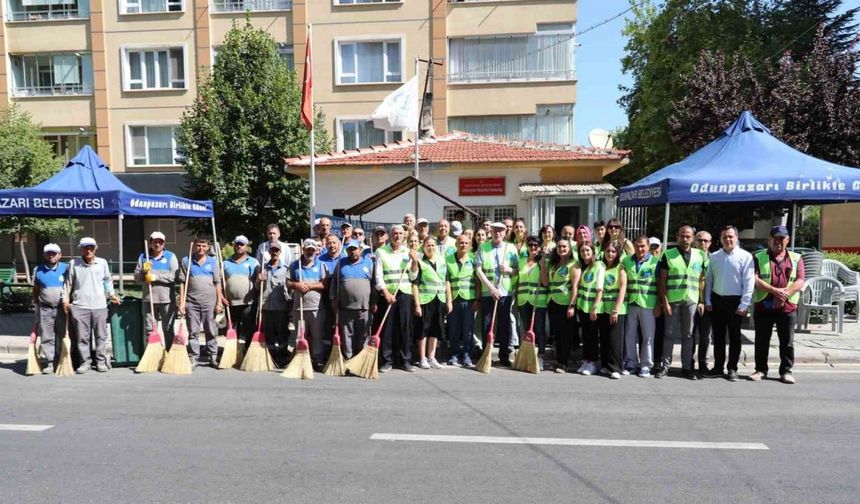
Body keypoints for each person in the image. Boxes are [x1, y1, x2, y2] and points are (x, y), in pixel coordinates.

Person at [751, 226, 804, 384]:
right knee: (761, 340)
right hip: (764, 304)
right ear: (769, 240)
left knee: (787, 341)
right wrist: (775, 291)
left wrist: (785, 294)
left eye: (782, 238)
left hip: (787, 306)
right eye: (775, 238)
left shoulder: (796, 258)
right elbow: (754, 278)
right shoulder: (758, 257)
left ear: (787, 240)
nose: (778, 242)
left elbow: (800, 280)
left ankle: (786, 371)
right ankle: (760, 369)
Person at [704, 225, 755, 382]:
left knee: (734, 338)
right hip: (717, 300)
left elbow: (749, 282)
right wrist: (707, 300)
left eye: (731, 236)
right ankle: (718, 367)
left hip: (736, 302)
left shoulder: (746, 257)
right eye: (725, 237)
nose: (728, 239)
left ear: (736, 238)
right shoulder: (714, 257)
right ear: (720, 239)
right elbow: (709, 280)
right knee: (718, 337)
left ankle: (732, 368)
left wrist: (744, 304)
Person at [657, 226, 706, 380]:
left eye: (688, 236)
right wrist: (664, 302)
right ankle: (665, 367)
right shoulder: (668, 254)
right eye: (682, 236)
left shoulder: (700, 255)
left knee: (689, 335)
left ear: (693, 238)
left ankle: (687, 367)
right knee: (669, 334)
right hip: (673, 299)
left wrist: (702, 301)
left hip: (691, 299)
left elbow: (702, 279)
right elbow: (662, 281)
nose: (685, 239)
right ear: (677, 236)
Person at [66, 237, 120, 373]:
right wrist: (65, 300)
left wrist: (111, 294)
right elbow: (68, 283)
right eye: (85, 247)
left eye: (91, 247)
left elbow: (108, 280)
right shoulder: (74, 263)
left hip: (99, 305)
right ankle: (85, 362)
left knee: (101, 336)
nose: (88, 250)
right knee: (82, 337)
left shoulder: (102, 263)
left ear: (95, 248)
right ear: (81, 249)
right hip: (80, 306)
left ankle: (101, 361)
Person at [374, 225, 420, 372]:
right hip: (388, 294)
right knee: (387, 328)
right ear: (390, 235)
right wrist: (386, 293)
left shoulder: (409, 252)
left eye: (400, 233)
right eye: (395, 233)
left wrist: (414, 262)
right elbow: (378, 276)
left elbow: (413, 276)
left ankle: (405, 360)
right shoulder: (381, 252)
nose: (398, 236)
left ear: (404, 236)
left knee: (404, 327)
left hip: (404, 293)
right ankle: (387, 360)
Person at [475, 222, 520, 367]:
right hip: (488, 292)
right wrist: (490, 288)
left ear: (505, 232)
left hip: (505, 292)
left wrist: (508, 269)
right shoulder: (483, 247)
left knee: (504, 325)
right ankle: (486, 353)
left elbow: (517, 270)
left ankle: (504, 355)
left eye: (501, 231)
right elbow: (478, 270)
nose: (497, 233)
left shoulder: (511, 247)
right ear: (491, 232)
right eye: (495, 231)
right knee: (487, 324)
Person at [179, 237, 224, 368]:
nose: (201, 248)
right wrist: (182, 303)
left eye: (204, 246)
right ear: (194, 246)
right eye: (199, 245)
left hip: (209, 303)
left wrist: (219, 302)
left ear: (208, 247)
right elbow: (182, 283)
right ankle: (194, 358)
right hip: (191, 303)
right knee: (193, 331)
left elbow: (217, 283)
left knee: (211, 331)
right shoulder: (187, 261)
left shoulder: (213, 262)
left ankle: (213, 356)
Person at [621, 235, 660, 377]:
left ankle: (645, 365)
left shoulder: (656, 262)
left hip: (648, 304)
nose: (639, 248)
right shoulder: (626, 261)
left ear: (648, 246)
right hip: (631, 303)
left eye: (643, 246)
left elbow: (660, 285)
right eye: (637, 245)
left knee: (648, 337)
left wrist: (658, 305)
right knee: (629, 335)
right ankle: (631, 363)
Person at [330, 239, 374, 359]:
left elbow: (374, 284)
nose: (353, 252)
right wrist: (333, 299)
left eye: (355, 249)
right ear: (347, 251)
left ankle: (361, 360)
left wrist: (374, 302)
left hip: (364, 307)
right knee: (347, 335)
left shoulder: (369, 262)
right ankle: (348, 358)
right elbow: (334, 282)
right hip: (345, 307)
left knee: (364, 335)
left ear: (360, 250)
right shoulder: (341, 263)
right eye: (350, 249)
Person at [134, 231, 178, 349]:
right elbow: (137, 278)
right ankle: (152, 354)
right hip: (149, 300)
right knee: (150, 330)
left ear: (164, 243)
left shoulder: (170, 256)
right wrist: (143, 271)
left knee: (168, 329)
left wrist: (155, 277)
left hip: (167, 300)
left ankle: (169, 353)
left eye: (160, 242)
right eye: (155, 242)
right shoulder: (144, 256)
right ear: (150, 243)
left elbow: (174, 276)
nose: (157, 244)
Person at [288, 239, 328, 369]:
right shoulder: (295, 265)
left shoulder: (321, 265)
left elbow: (324, 284)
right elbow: (288, 283)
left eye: (312, 250)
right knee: (300, 336)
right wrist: (296, 285)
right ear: (303, 250)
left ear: (316, 250)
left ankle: (318, 360)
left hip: (316, 307)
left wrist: (309, 286)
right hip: (299, 308)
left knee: (317, 336)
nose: (310, 252)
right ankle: (301, 359)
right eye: (307, 249)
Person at [414, 237, 450, 369]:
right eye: (428, 245)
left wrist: (449, 301)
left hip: (439, 299)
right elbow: (415, 285)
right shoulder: (420, 261)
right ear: (423, 247)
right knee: (423, 330)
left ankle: (432, 357)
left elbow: (446, 282)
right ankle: (422, 358)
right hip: (425, 299)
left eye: (433, 245)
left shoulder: (441, 260)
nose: (431, 248)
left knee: (435, 329)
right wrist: (417, 304)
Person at [33, 243, 68, 374]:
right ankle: (49, 362)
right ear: (44, 255)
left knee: (62, 335)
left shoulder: (66, 268)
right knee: (47, 336)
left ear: (60, 255)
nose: (51, 256)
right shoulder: (38, 270)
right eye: (49, 253)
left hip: (62, 309)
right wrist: (36, 304)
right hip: (45, 309)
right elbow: (36, 289)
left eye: (54, 253)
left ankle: (62, 359)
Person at [446, 234, 479, 367]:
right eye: (460, 243)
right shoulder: (448, 259)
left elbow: (477, 282)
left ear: (470, 245)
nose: (463, 245)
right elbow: (447, 281)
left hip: (469, 299)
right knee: (453, 328)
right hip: (453, 299)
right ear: (456, 244)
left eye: (466, 243)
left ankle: (466, 355)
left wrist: (477, 299)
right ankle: (454, 354)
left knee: (468, 329)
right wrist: (448, 300)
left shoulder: (473, 260)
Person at [516, 235, 548, 370]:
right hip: (523, 300)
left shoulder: (542, 262)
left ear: (539, 247)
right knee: (526, 329)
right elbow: (518, 281)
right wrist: (516, 298)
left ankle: (540, 356)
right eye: (530, 245)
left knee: (539, 329)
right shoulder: (521, 260)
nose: (533, 248)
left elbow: (545, 282)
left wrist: (542, 266)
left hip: (538, 301)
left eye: (536, 245)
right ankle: (528, 356)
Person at [222, 235, 260, 350]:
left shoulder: (254, 262)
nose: (239, 246)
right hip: (230, 303)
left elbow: (258, 283)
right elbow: (219, 282)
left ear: (246, 246)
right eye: (237, 244)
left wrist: (260, 279)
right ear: (234, 245)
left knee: (249, 329)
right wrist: (222, 298)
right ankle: (233, 352)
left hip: (249, 303)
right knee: (231, 330)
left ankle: (248, 352)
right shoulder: (225, 263)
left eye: (242, 244)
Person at [598, 240, 626, 379]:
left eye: (613, 251)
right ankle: (605, 365)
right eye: (608, 251)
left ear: (617, 253)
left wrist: (616, 309)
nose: (610, 254)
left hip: (616, 309)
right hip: (603, 308)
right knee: (604, 337)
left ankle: (616, 367)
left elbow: (622, 288)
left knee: (615, 339)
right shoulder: (602, 267)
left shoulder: (620, 268)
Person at [259, 241, 290, 366]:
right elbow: (257, 288)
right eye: (272, 250)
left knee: (282, 334)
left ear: (280, 252)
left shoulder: (286, 269)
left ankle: (282, 357)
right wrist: (258, 280)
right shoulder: (262, 268)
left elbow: (290, 289)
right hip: (266, 307)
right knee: (269, 334)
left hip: (281, 307)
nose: (275, 252)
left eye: (277, 250)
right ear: (269, 252)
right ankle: (271, 357)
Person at [576, 241, 604, 376]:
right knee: (586, 335)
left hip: (592, 307)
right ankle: (586, 360)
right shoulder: (584, 266)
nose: (585, 253)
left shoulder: (599, 265)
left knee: (593, 335)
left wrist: (595, 307)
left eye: (588, 250)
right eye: (582, 251)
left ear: (593, 252)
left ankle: (592, 362)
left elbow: (600, 289)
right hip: (582, 306)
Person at [693, 230, 713, 377]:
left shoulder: (715, 259)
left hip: (708, 303)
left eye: (706, 241)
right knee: (691, 335)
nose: (702, 243)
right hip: (691, 302)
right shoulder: (690, 258)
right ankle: (689, 362)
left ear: (710, 243)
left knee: (706, 336)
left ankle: (703, 363)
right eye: (700, 240)